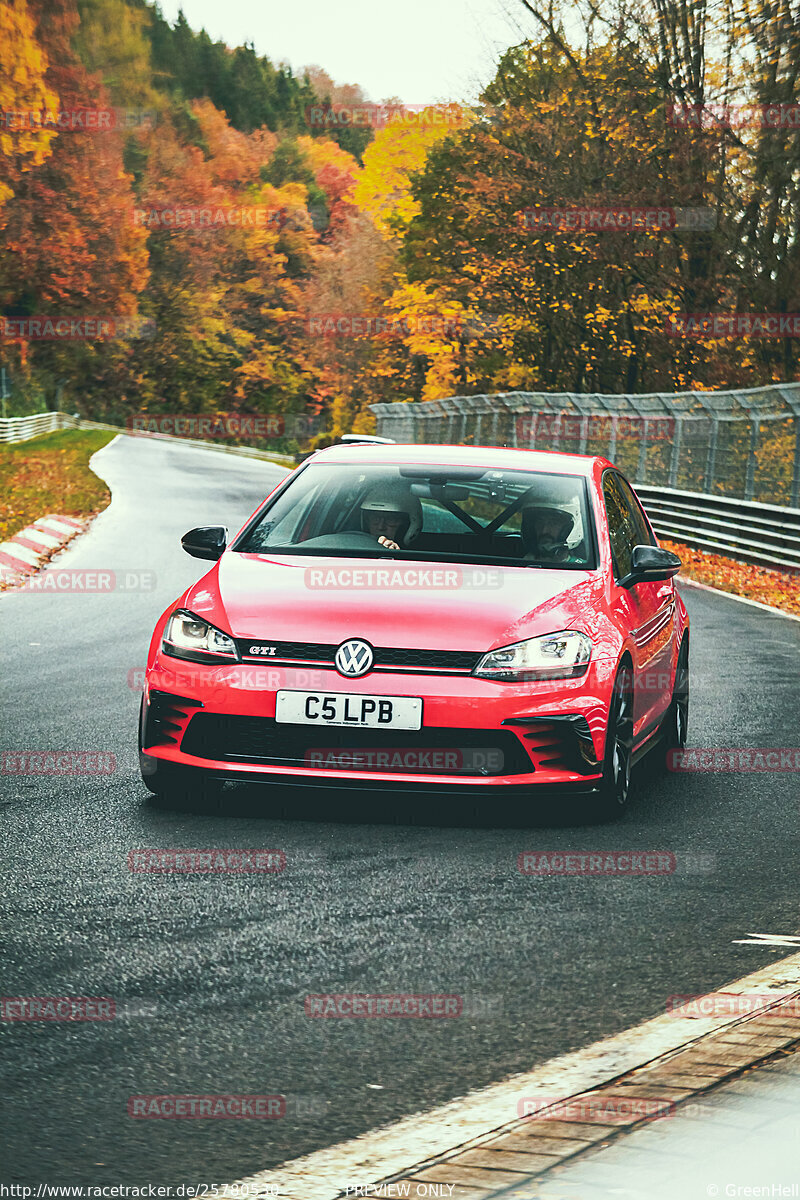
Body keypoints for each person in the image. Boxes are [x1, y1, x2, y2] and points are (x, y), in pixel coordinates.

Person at [360, 483, 422, 549]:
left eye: (390, 519)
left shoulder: (420, 557)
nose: (381, 527)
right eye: (376, 518)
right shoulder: (353, 546)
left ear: (407, 524)